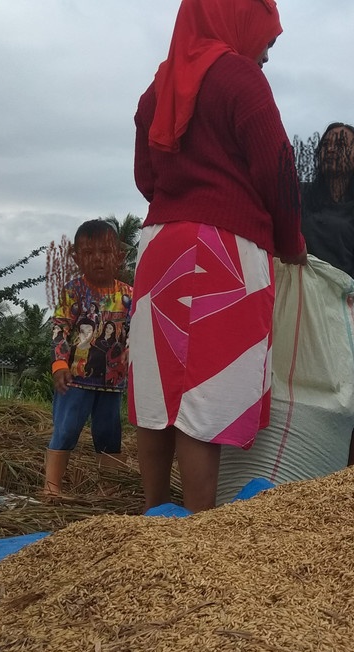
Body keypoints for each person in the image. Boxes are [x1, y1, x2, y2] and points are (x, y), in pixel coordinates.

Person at [130, 0, 307, 513]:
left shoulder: (161, 85)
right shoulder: (238, 75)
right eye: (267, 42)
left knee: (160, 391)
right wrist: (292, 242)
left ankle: (153, 513)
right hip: (224, 248)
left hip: (161, 245)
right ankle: (197, 529)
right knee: (201, 396)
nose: (266, 58)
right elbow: (277, 166)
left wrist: (177, 204)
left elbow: (146, 174)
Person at [301, 123, 354, 465]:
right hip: (299, 309)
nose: (332, 148)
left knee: (351, 403)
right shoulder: (299, 195)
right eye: (327, 143)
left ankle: (351, 477)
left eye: (342, 143)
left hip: (343, 313)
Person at [44, 219, 133, 497]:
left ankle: (110, 490)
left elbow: (138, 332)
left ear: (119, 256)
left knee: (109, 435)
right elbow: (60, 328)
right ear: (76, 257)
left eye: (105, 252)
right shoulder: (73, 291)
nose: (98, 259)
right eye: (89, 252)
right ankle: (52, 487)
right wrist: (59, 365)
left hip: (112, 382)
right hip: (75, 379)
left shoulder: (129, 295)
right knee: (66, 430)